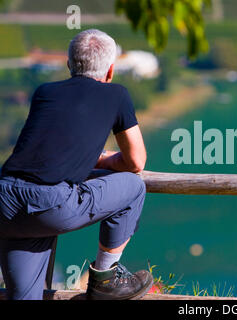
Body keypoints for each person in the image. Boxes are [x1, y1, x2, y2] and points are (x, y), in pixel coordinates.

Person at [0, 29, 153, 300]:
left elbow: (50, 146)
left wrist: (91, 156)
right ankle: (105, 279)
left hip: (6, 202)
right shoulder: (117, 95)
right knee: (133, 186)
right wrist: (106, 158)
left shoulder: (44, 92)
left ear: (69, 65)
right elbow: (136, 161)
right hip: (49, 204)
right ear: (110, 71)